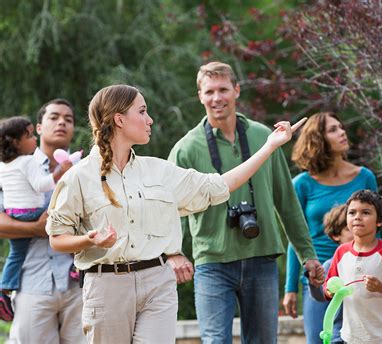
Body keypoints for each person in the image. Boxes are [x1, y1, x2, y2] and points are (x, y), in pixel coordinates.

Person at [45, 84, 305, 343]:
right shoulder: (79, 177)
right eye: (143, 111)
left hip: (157, 282)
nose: (150, 119)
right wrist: (89, 240)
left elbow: (219, 186)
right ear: (119, 119)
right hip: (107, 287)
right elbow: (57, 239)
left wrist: (270, 146)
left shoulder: (159, 171)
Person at [168, 61, 324, 344]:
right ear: (200, 96)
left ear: (236, 90)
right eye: (210, 91)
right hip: (212, 261)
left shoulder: (264, 136)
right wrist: (173, 253)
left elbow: (286, 201)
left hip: (261, 257)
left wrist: (307, 254)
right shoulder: (185, 149)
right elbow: (169, 210)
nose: (217, 98)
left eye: (223, 89)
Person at [282, 112, 377, 343]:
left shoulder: (364, 177)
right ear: (318, 139)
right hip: (318, 280)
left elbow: (377, 231)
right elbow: (295, 238)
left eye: (341, 127)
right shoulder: (302, 184)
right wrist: (290, 288)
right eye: (333, 129)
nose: (342, 132)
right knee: (320, 339)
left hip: (359, 277)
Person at [0, 99, 84, 343]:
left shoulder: (84, 169)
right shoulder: (11, 167)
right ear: (37, 129)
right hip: (33, 282)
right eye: (54, 117)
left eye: (68, 119)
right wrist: (36, 228)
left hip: (78, 283)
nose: (62, 122)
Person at [325, 190, 382, 343]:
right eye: (352, 212)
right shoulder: (341, 252)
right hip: (350, 337)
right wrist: (331, 290)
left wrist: (380, 287)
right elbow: (329, 285)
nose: (357, 217)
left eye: (365, 212)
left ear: (379, 221)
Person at [307, 204, 352, 344]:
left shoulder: (377, 259)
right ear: (336, 235)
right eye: (348, 229)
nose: (356, 232)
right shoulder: (330, 265)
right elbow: (321, 296)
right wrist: (314, 284)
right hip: (341, 337)